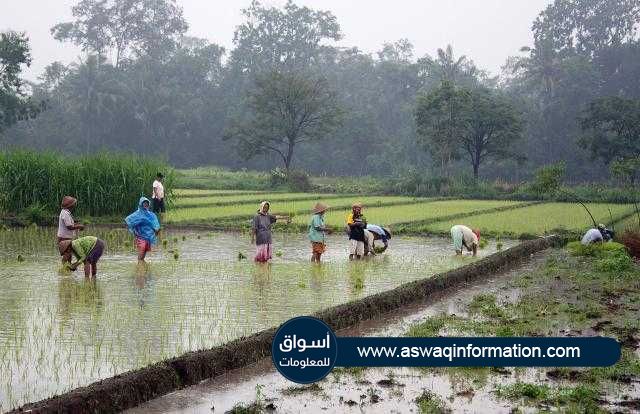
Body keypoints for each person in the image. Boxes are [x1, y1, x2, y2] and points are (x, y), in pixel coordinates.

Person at [125, 196, 161, 263]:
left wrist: (156, 229)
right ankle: (140, 269)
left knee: (144, 253)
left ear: (148, 204)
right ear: (141, 204)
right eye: (144, 203)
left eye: (147, 203)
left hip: (148, 236)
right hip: (141, 236)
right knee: (142, 249)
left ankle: (142, 268)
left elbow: (155, 223)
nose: (145, 204)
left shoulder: (151, 215)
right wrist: (134, 231)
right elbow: (129, 220)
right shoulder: (137, 214)